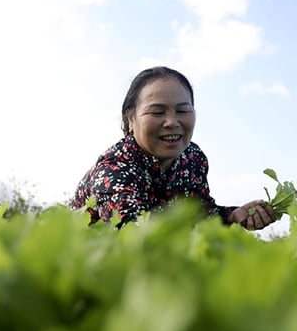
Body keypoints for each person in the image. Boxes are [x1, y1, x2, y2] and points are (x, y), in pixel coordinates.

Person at [70, 66, 278, 231]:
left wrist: (233, 216)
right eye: (157, 112)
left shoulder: (192, 158)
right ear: (130, 119)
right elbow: (133, 233)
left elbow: (199, 212)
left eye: (182, 110)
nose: (172, 122)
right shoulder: (114, 168)